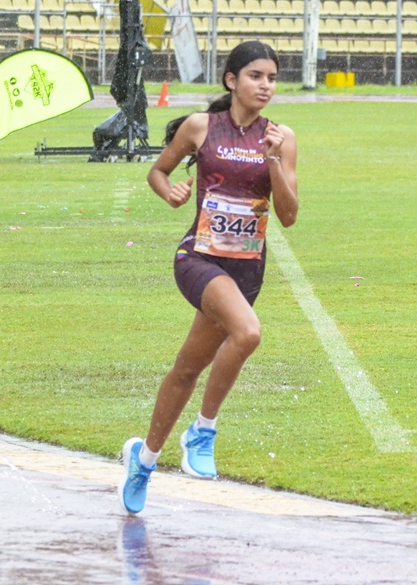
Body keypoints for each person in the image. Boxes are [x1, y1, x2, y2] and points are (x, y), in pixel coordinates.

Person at [118, 41, 299, 515]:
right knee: (249, 332)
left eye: (273, 78)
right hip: (198, 258)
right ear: (231, 80)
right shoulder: (203, 127)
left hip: (246, 269)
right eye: (256, 76)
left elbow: (290, 214)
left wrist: (276, 161)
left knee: (185, 369)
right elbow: (158, 171)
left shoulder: (282, 138)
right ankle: (202, 431)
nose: (266, 86)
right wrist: (172, 193)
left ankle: (144, 458)